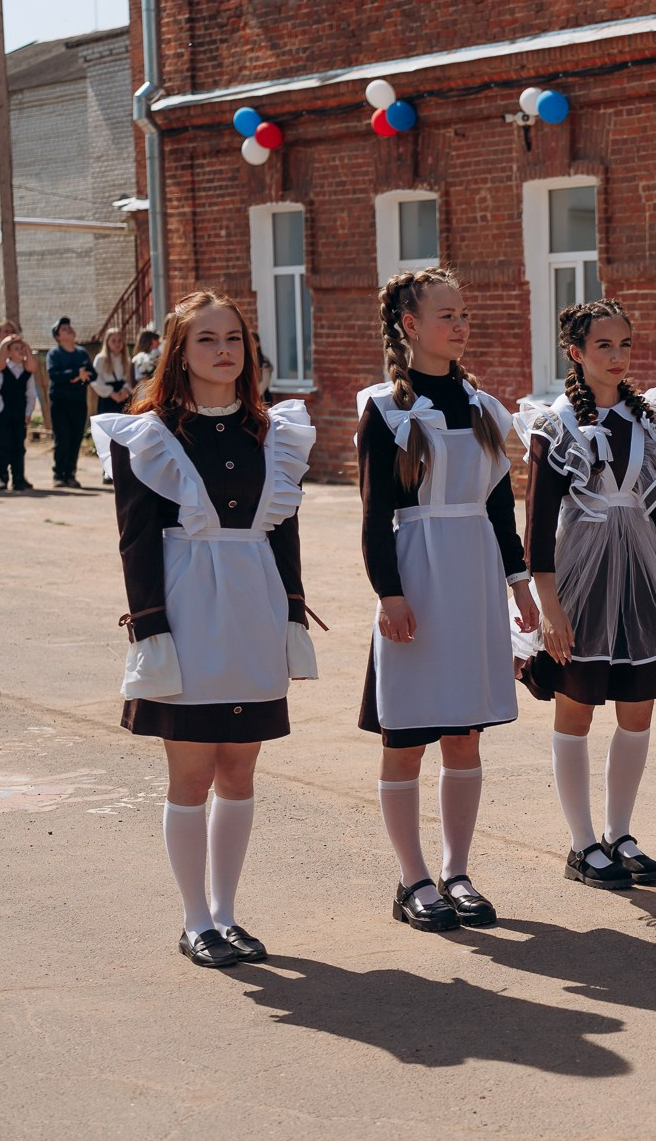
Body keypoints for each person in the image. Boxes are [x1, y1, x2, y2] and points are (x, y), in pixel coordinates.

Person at [90, 291, 317, 968]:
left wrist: (291, 612)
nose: (224, 350)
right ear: (179, 355)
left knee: (239, 771)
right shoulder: (150, 433)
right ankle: (195, 921)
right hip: (188, 611)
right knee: (191, 773)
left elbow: (285, 533)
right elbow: (135, 542)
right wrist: (151, 631)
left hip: (253, 604)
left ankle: (226, 913)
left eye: (235, 339)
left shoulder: (271, 432)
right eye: (206, 339)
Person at [358, 268, 538, 932]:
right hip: (417, 575)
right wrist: (389, 593)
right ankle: (413, 879)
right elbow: (375, 515)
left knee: (464, 735)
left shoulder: (484, 408)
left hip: (476, 580)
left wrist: (519, 586)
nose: (460, 325)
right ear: (409, 325)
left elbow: (498, 505)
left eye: (464, 314)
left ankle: (457, 870)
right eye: (446, 315)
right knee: (405, 738)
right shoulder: (384, 408)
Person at [518, 299, 656, 888]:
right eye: (602, 347)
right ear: (576, 352)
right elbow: (538, 525)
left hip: (640, 575)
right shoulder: (555, 423)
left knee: (637, 709)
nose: (616, 358)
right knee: (578, 708)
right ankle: (582, 842)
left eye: (624, 346)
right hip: (580, 578)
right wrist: (550, 607)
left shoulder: (648, 423)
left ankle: (620, 833)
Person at [0, 322, 42, 490]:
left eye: (21, 349)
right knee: (3, 445)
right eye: (16, 349)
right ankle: (1, 477)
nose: (20, 352)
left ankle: (18, 477)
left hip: (19, 413)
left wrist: (28, 412)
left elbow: (31, 395)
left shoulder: (26, 372)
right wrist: (2, 409)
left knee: (19, 446)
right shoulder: (2, 368)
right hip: (4, 413)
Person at [48, 317, 96, 487]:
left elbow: (93, 375)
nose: (68, 330)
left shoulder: (82, 353)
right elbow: (54, 375)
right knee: (62, 438)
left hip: (78, 402)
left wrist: (82, 378)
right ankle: (59, 474)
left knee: (76, 438)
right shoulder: (54, 354)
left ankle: (71, 474)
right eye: (63, 329)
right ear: (58, 336)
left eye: (69, 326)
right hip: (60, 402)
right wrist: (76, 374)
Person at [92, 326, 135, 415]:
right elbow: (95, 380)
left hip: (123, 395)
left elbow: (129, 378)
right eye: (113, 341)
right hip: (108, 397)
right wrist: (111, 393)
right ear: (107, 342)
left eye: (120, 340)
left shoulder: (126, 360)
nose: (117, 344)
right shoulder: (100, 359)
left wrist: (125, 390)